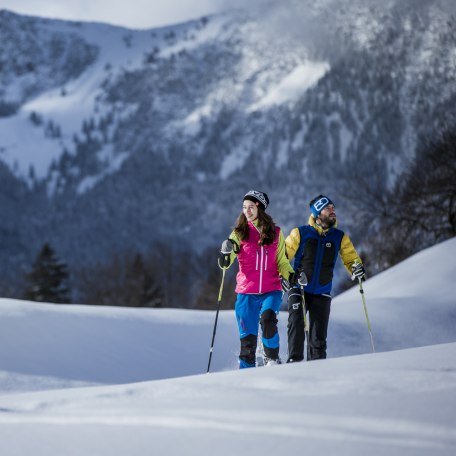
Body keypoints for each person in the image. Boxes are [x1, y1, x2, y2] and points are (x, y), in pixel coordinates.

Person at [285, 194, 365, 362]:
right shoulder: (300, 233)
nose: (332, 211)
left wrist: (356, 268)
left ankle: (318, 370)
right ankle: (294, 363)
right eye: (328, 208)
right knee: (297, 324)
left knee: (318, 337)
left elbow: (351, 258)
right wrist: (283, 275)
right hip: (299, 287)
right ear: (317, 213)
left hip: (322, 291)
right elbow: (283, 256)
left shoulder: (339, 237)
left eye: (333, 208)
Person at [219, 190, 295, 368]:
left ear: (260, 208)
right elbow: (226, 262)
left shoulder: (275, 233)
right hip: (246, 293)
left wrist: (290, 275)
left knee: (268, 319)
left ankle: (272, 360)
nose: (247, 211)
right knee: (248, 342)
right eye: (244, 207)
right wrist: (225, 253)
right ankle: (245, 377)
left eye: (251, 207)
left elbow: (282, 261)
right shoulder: (239, 233)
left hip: (271, 289)